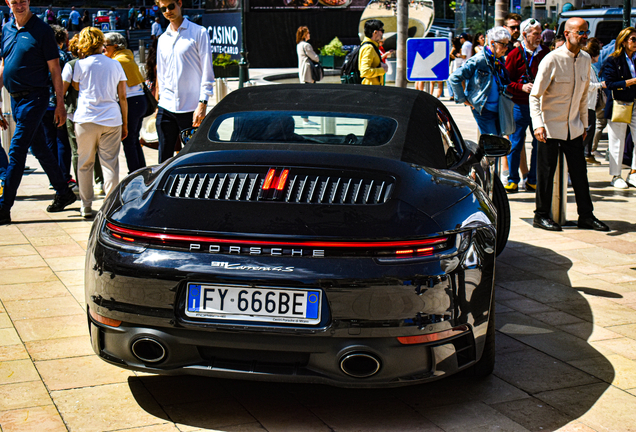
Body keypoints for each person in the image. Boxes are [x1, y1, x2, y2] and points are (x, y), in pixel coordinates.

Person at [0, 0, 77, 226]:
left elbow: (55, 69)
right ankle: (64, 191)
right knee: (39, 148)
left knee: (17, 150)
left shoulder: (42, 30)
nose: (20, 5)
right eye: (15, 2)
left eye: (23, 1)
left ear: (29, 2)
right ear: (8, 3)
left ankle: (4, 208)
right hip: (16, 99)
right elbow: (5, 66)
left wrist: (60, 103)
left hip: (36, 97)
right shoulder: (6, 29)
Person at [530, 17, 609, 232]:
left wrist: (583, 124)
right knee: (546, 173)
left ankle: (586, 215)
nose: (584, 35)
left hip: (573, 127)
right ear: (567, 34)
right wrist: (538, 124)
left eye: (586, 31)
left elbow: (583, 96)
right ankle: (541, 215)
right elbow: (535, 96)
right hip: (549, 127)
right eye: (579, 32)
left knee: (579, 173)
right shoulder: (552, 59)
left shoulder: (584, 59)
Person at [72, 27, 128, 218]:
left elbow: (76, 86)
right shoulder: (115, 64)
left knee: (85, 163)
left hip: (86, 119)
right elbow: (122, 96)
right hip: (112, 118)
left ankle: (86, 206)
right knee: (110, 164)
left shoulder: (80, 65)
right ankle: (110, 207)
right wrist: (125, 123)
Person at [155, 0, 215, 163]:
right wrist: (158, 103)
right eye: (163, 9)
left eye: (171, 6)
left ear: (180, 3)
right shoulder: (162, 39)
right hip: (166, 106)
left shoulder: (198, 32)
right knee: (164, 159)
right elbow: (161, 73)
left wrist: (202, 103)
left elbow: (207, 71)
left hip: (191, 108)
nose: (168, 11)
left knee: (193, 158)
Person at [504, 18, 550, 193]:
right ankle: (513, 179)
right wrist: (521, 87)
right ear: (525, 35)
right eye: (536, 34)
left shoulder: (546, 52)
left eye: (540, 33)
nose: (540, 37)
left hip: (539, 105)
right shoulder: (515, 54)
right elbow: (506, 82)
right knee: (516, 143)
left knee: (540, 142)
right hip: (520, 105)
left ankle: (533, 179)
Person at [449, 27, 511, 137]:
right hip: (484, 109)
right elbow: (454, 78)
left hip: (499, 108)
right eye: (503, 45)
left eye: (508, 44)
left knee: (497, 143)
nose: (506, 48)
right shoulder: (479, 60)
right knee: (492, 144)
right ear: (493, 43)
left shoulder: (499, 60)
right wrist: (464, 100)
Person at [103, 32, 148, 174]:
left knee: (128, 140)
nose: (103, 49)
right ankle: (141, 171)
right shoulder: (126, 56)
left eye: (105, 46)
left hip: (131, 102)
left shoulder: (117, 61)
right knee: (133, 140)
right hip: (139, 101)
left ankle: (135, 174)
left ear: (115, 46)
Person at [601, 27, 636, 189]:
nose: (635, 43)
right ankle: (616, 175)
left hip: (635, 103)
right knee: (617, 140)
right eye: (633, 39)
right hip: (620, 103)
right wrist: (630, 82)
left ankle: (634, 172)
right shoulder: (613, 60)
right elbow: (609, 84)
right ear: (623, 41)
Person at [44, 25, 75, 190]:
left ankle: (52, 178)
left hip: (43, 104)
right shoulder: (63, 56)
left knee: (49, 141)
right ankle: (63, 176)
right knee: (62, 141)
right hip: (59, 104)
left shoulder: (41, 55)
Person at [581, 38, 605, 166]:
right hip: (587, 105)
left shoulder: (589, 66)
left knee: (590, 130)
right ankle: (584, 154)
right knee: (588, 131)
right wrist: (600, 85)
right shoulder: (587, 66)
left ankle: (587, 153)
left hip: (590, 105)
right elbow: (587, 85)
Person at [359, 19, 387, 86]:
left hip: (372, 88)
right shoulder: (369, 48)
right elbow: (364, 72)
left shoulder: (372, 46)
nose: (382, 34)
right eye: (382, 31)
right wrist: (382, 70)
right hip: (370, 89)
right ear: (375, 32)